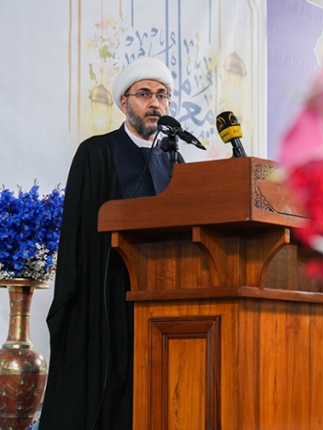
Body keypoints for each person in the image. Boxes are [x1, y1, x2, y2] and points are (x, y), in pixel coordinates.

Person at [39, 57, 180, 430]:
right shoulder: (97, 152)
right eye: (144, 94)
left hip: (162, 294)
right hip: (107, 294)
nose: (155, 103)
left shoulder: (173, 158)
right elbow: (79, 233)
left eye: (162, 95)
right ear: (124, 102)